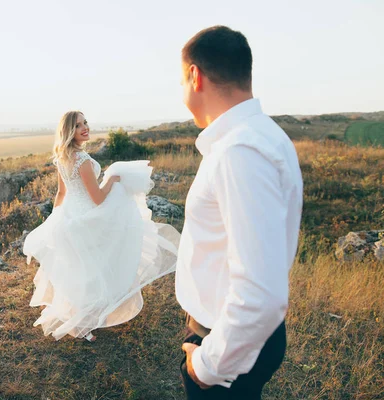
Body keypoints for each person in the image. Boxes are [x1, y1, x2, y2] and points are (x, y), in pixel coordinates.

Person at [176, 26, 303, 399]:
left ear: (194, 76)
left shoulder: (239, 151)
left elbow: (260, 292)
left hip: (224, 341)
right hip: (238, 335)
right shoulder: (263, 136)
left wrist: (207, 365)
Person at [24, 111, 180, 341]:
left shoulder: (63, 157)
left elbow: (61, 193)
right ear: (69, 131)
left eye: (85, 122)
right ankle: (86, 321)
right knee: (97, 266)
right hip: (87, 215)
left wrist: (56, 218)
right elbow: (97, 198)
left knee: (82, 269)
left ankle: (85, 319)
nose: (85, 127)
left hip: (70, 214)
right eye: (78, 126)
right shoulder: (82, 160)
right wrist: (111, 180)